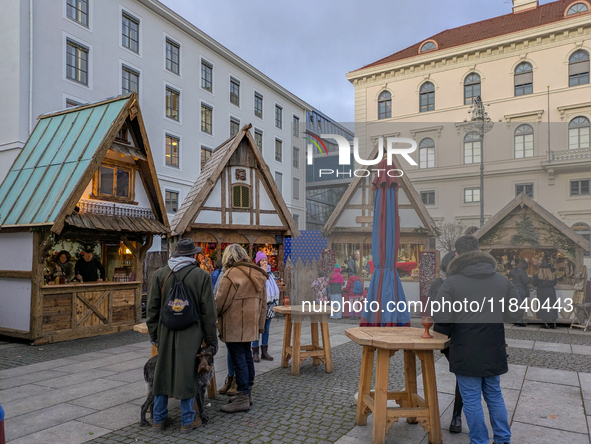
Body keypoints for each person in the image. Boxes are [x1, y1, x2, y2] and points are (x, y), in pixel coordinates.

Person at [433, 235, 522, 444]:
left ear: (456, 255)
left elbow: (441, 317)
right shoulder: (502, 280)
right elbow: (516, 314)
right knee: (494, 395)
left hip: (465, 350)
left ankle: (479, 441)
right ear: (479, 251)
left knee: (471, 399)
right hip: (494, 348)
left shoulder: (451, 282)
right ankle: (503, 440)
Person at [146, 238, 218, 433]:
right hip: (191, 333)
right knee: (188, 373)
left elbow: (152, 309)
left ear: (176, 254)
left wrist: (155, 335)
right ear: (193, 256)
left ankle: (159, 419)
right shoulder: (201, 276)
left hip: (165, 332)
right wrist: (211, 341)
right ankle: (188, 420)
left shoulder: (160, 274)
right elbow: (208, 312)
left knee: (162, 372)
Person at [215, 244, 267, 413]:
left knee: (239, 359)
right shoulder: (257, 274)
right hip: (250, 324)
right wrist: (259, 325)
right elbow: (263, 304)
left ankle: (242, 396)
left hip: (234, 325)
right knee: (246, 357)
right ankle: (247, 393)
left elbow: (220, 303)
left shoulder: (231, 275)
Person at [430, 250, 464, 434]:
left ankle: (456, 415)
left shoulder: (467, 284)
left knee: (463, 375)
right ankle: (456, 416)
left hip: (466, 335)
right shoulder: (439, 284)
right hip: (448, 336)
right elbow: (434, 311)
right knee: (462, 374)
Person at [251, 251, 280, 363]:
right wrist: (262, 273)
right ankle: (255, 353)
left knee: (266, 329)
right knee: (258, 328)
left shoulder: (270, 274)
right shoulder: (257, 273)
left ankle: (264, 351)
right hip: (259, 305)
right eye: (262, 260)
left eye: (266, 260)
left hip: (269, 305)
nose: (264, 262)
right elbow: (258, 286)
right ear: (258, 262)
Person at [532, 262, 558, 329]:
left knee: (543, 307)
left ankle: (545, 323)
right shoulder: (552, 275)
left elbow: (533, 283)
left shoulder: (538, 275)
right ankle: (553, 323)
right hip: (551, 292)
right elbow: (554, 283)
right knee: (552, 307)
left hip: (542, 292)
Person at [509, 259, 530, 327]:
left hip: (514, 289)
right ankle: (518, 321)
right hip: (520, 290)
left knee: (515, 306)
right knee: (520, 306)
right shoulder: (522, 272)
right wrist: (529, 278)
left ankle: (515, 320)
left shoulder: (513, 271)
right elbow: (526, 282)